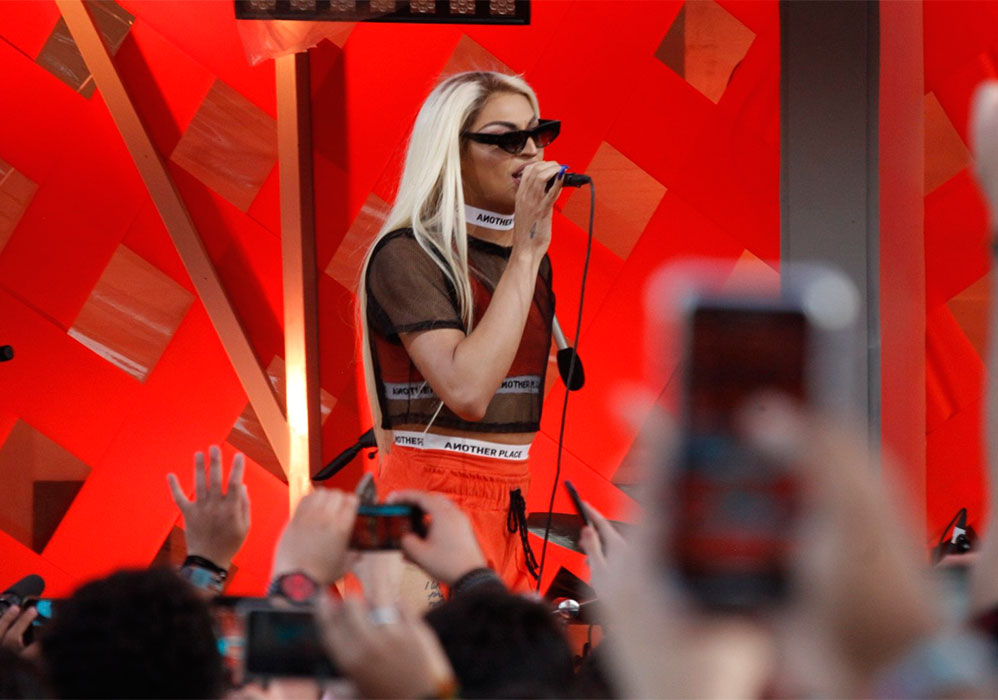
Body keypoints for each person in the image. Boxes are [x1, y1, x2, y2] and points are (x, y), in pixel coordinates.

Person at [358, 70, 567, 594]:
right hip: (427, 497)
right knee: (428, 677)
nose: (530, 153)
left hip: (509, 497)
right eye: (506, 139)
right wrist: (526, 253)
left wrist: (526, 255)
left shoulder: (526, 259)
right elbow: (468, 391)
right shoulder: (406, 253)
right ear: (452, 150)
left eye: (537, 134)